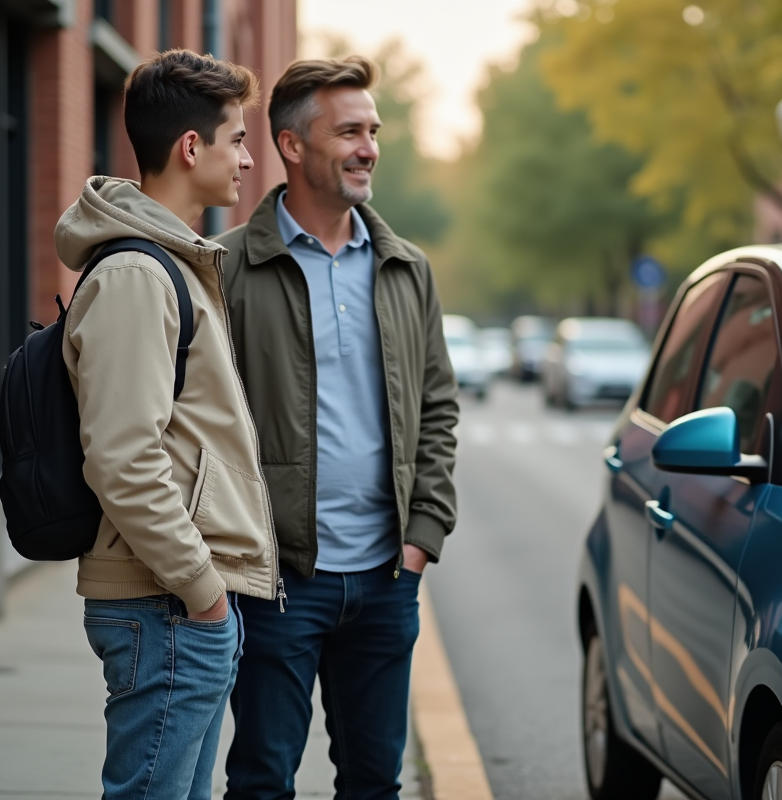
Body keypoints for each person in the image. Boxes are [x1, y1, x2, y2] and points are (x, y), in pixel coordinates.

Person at [215, 56, 459, 800]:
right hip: (279, 583)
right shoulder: (227, 268)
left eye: (373, 130)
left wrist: (423, 538)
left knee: (374, 783)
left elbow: (438, 408)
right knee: (261, 780)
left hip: (387, 579)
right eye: (349, 130)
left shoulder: (404, 268)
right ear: (292, 146)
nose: (368, 147)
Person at [56, 49, 279, 800]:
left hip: (180, 604)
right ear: (192, 147)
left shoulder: (172, 264)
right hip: (167, 606)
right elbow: (122, 458)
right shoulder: (136, 276)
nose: (249, 159)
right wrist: (203, 592)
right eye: (238, 139)